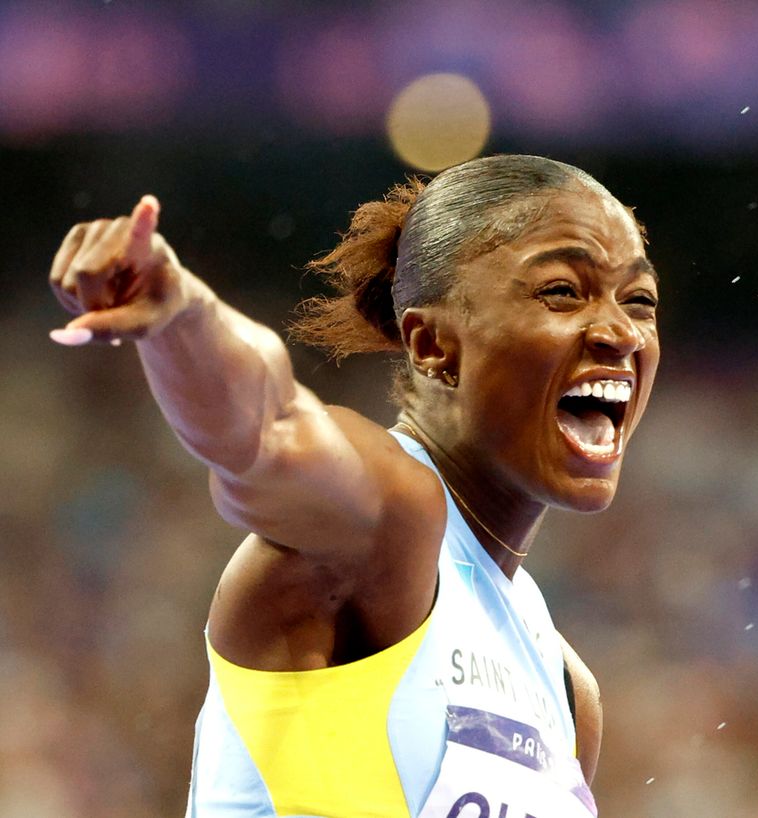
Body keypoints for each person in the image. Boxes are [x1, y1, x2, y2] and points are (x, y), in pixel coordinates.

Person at [47, 155, 661, 817]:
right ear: (431, 346)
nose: (622, 332)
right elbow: (267, 432)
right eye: (564, 291)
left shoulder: (569, 692)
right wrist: (181, 317)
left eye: (640, 300)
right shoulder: (385, 514)